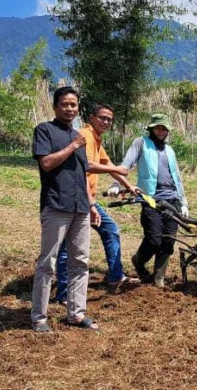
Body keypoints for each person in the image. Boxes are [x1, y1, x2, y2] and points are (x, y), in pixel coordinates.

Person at [54, 104, 141, 305]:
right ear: (91, 118)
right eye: (102, 117)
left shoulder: (96, 139)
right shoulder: (85, 135)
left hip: (86, 198)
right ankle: (64, 294)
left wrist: (129, 186)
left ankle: (115, 276)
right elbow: (87, 167)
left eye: (109, 119)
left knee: (110, 230)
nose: (106, 122)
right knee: (69, 246)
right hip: (77, 199)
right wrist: (92, 204)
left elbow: (109, 167)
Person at [30, 86, 101, 332]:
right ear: (55, 106)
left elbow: (82, 173)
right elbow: (47, 163)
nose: (70, 108)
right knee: (47, 263)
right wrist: (73, 145)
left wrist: (91, 205)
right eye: (65, 104)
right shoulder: (45, 130)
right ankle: (39, 317)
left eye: (73, 104)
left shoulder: (79, 136)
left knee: (80, 262)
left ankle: (76, 314)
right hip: (56, 204)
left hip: (80, 207)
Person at [112, 113, 188, 288]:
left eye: (165, 129)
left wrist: (183, 202)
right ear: (151, 128)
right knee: (154, 239)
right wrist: (116, 183)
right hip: (151, 199)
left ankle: (159, 277)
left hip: (172, 200)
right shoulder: (141, 143)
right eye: (158, 128)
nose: (162, 131)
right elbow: (126, 164)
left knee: (168, 241)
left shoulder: (169, 150)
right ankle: (138, 261)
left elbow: (177, 177)